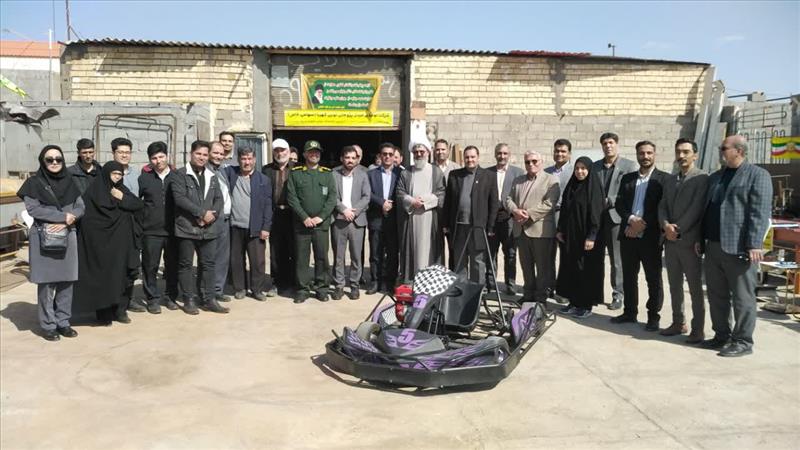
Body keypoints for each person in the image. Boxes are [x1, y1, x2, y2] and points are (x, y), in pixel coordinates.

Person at [701, 135, 771, 357]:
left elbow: (759, 213)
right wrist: (700, 241)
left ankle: (743, 341)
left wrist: (754, 244)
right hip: (713, 246)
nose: (720, 151)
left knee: (742, 297)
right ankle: (721, 335)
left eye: (724, 148)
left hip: (739, 248)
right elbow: (706, 210)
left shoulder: (757, 175)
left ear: (739, 150)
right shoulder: (716, 177)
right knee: (716, 294)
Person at [17, 145, 85, 340]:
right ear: (42, 161)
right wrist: (63, 217)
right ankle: (48, 325)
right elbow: (33, 209)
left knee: (67, 282)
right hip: (43, 236)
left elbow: (81, 207)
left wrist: (71, 218)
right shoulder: (33, 183)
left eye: (58, 159)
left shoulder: (70, 181)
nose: (54, 162)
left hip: (67, 235)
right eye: (50, 159)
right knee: (47, 284)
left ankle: (63, 321)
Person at [74, 161, 144, 325]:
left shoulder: (122, 190)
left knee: (124, 276)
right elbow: (87, 219)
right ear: (106, 174)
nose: (117, 177)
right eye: (114, 174)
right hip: (101, 246)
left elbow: (139, 205)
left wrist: (122, 198)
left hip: (122, 245)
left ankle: (120, 310)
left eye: (120, 174)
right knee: (103, 277)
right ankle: (103, 312)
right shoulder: (93, 192)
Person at [611, 141, 669, 331]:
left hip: (651, 237)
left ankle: (653, 316)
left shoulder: (663, 179)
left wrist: (641, 225)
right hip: (628, 234)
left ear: (655, 154)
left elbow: (662, 207)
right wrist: (631, 220)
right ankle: (630, 312)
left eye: (649, 153)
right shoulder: (628, 178)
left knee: (653, 278)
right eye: (642, 153)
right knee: (629, 276)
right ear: (637, 155)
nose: (645, 156)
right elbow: (619, 204)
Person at [658, 138, 709, 343]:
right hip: (670, 241)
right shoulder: (671, 179)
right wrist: (665, 226)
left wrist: (677, 229)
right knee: (674, 285)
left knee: (695, 288)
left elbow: (697, 208)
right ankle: (678, 322)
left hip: (689, 241)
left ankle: (698, 328)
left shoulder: (702, 178)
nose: (681, 156)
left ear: (695, 155)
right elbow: (662, 205)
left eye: (686, 152)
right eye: (678, 151)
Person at [171, 140, 228, 315]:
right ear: (191, 154)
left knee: (208, 264)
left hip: (209, 228)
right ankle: (189, 299)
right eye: (198, 154)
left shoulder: (212, 175)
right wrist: (201, 213)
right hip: (187, 227)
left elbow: (219, 199)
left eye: (204, 154)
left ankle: (209, 299)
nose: (202, 157)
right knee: (186, 265)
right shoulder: (179, 175)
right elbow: (180, 199)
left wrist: (212, 215)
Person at [286, 140, 337, 303]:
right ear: (305, 154)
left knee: (322, 257)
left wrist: (321, 217)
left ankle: (322, 288)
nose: (314, 155)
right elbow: (292, 198)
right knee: (302, 258)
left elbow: (332, 198)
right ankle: (303, 289)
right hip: (302, 224)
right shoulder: (295, 173)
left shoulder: (327, 174)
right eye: (311, 152)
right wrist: (304, 217)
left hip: (321, 225)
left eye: (317, 152)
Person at [505, 151, 560, 303]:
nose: (531, 164)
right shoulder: (518, 180)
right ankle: (528, 295)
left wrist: (527, 214)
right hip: (521, 230)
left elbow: (549, 204)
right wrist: (515, 210)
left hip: (541, 231)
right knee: (526, 266)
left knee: (543, 267)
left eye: (534, 161)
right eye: (527, 162)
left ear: (541, 162)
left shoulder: (551, 180)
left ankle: (540, 298)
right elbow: (508, 199)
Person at [221, 147, 273, 301]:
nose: (247, 162)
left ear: (255, 160)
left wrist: (266, 227)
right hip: (235, 226)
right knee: (236, 260)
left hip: (255, 227)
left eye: (250, 159)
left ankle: (257, 289)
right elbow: (217, 165)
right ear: (238, 160)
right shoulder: (231, 173)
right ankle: (240, 288)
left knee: (257, 261)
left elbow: (268, 205)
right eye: (243, 159)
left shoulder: (263, 180)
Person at [593, 132, 637, 310]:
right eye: (605, 143)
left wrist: (610, 200)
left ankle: (618, 294)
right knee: (595, 258)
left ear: (617, 144)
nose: (608, 146)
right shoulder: (595, 167)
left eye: (611, 142)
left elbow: (630, 191)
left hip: (616, 218)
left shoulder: (629, 166)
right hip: (597, 218)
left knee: (616, 260)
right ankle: (595, 293)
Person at [555, 156, 604, 318]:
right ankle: (573, 302)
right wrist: (560, 230)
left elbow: (596, 214)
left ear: (589, 170)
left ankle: (585, 305)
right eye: (577, 168)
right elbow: (565, 210)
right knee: (571, 269)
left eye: (583, 168)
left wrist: (592, 236)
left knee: (585, 270)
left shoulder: (593, 188)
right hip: (571, 237)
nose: (580, 171)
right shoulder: (572, 186)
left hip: (586, 238)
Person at [444, 145, 498, 285]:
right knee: (459, 261)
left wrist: (490, 227)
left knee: (477, 262)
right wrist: (446, 224)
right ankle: (461, 292)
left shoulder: (489, 176)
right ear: (463, 158)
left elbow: (493, 203)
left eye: (473, 157)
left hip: (478, 227)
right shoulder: (454, 175)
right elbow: (448, 202)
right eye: (467, 157)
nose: (470, 160)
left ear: (478, 157)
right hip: (459, 226)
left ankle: (475, 294)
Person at [138, 141, 179, 314]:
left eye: (161, 156)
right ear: (150, 160)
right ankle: (152, 299)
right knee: (150, 266)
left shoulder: (177, 176)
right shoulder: (144, 179)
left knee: (173, 266)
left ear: (167, 156)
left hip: (173, 231)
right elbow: (137, 202)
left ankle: (170, 297)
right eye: (154, 158)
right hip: (151, 231)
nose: (158, 161)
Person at [396, 142, 445, 283]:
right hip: (412, 217)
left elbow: (441, 192)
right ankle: (411, 279)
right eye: (416, 152)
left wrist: (424, 202)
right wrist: (412, 201)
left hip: (430, 216)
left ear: (428, 152)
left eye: (421, 151)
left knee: (429, 249)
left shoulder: (436, 171)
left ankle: (430, 280)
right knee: (412, 248)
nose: (418, 154)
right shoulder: (406, 172)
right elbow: (399, 191)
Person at [110, 137, 146, 313]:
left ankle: (128, 299)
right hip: (114, 228)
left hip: (133, 226)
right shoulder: (107, 173)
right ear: (113, 153)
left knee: (132, 266)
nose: (124, 155)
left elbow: (140, 202)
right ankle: (113, 301)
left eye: (127, 152)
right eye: (120, 152)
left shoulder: (137, 175)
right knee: (115, 267)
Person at [331, 146, 370, 300]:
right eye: (347, 157)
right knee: (338, 256)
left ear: (357, 159)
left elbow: (366, 196)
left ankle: (354, 285)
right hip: (339, 220)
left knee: (356, 256)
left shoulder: (363, 175)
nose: (350, 160)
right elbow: (332, 196)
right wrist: (343, 210)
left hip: (356, 220)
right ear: (342, 158)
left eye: (353, 158)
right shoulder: (333, 174)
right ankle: (339, 286)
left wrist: (355, 211)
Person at [487, 143, 524, 293]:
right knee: (491, 253)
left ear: (509, 155)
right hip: (492, 219)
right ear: (495, 154)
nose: (502, 156)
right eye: (499, 153)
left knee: (510, 253)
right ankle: (491, 285)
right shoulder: (487, 172)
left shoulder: (518, 173)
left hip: (510, 219)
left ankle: (510, 285)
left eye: (505, 153)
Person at [366, 143, 402, 294]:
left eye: (390, 154)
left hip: (394, 220)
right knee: (375, 253)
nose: (387, 157)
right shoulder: (371, 174)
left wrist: (392, 204)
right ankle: (375, 281)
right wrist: (381, 202)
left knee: (393, 253)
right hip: (376, 218)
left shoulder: (401, 173)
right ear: (380, 156)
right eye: (384, 154)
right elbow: (367, 193)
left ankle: (390, 282)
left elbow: (404, 192)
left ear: (394, 156)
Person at [262, 138, 295, 293]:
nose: (280, 153)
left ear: (288, 151)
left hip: (293, 214)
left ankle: (292, 282)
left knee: (293, 249)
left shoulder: (297, 168)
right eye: (277, 150)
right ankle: (276, 282)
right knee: (276, 250)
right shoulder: (266, 170)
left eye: (282, 150)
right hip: (274, 214)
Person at [545, 138, 574, 304]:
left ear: (569, 153)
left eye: (563, 151)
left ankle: (564, 290)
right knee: (547, 256)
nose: (559, 154)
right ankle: (549, 287)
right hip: (547, 218)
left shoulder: (575, 171)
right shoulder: (546, 171)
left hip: (566, 218)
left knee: (565, 256)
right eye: (557, 151)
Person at [208, 141, 233, 302]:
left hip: (225, 219)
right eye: (215, 153)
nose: (218, 156)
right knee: (209, 257)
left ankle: (218, 289)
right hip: (212, 219)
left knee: (222, 257)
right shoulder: (204, 170)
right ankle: (208, 292)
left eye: (221, 153)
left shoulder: (222, 170)